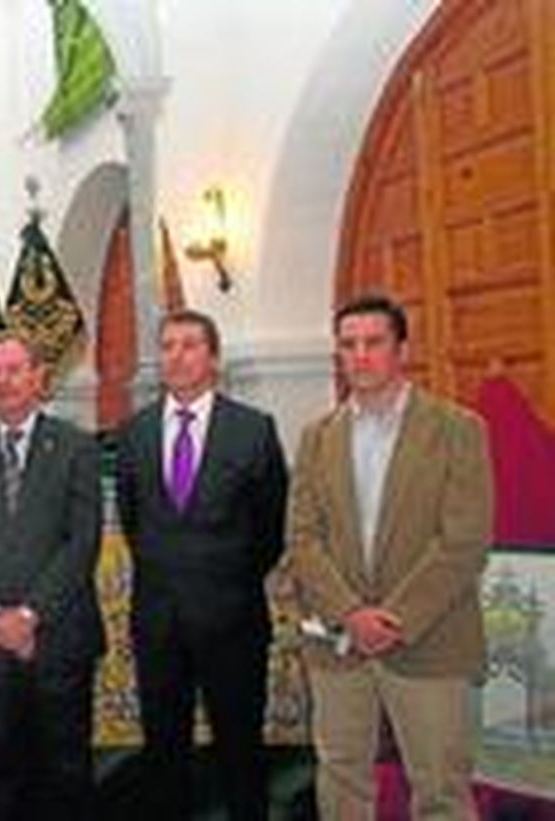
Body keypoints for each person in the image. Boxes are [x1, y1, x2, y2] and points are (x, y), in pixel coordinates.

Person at [285, 294, 492, 821]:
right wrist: (351, 613)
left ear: (402, 348)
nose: (360, 356)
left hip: (430, 640)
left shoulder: (457, 429)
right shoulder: (317, 437)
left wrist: (394, 619)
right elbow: (303, 538)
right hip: (338, 643)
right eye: (348, 345)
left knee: (441, 792)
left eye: (373, 342)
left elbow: (464, 540)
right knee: (341, 780)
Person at [114, 310, 288, 821]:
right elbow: (133, 522)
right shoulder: (135, 432)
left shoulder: (252, 430)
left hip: (232, 621)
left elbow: (270, 531)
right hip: (159, 623)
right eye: (167, 346)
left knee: (241, 752)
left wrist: (223, 579)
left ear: (213, 358)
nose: (177, 355)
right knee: (164, 754)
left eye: (190, 345)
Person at [0, 334, 103, 820]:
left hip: (60, 637)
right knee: (0, 774)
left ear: (38, 377)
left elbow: (82, 542)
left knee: (66, 774)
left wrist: (30, 616)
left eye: (14, 370)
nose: (4, 381)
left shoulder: (76, 446)